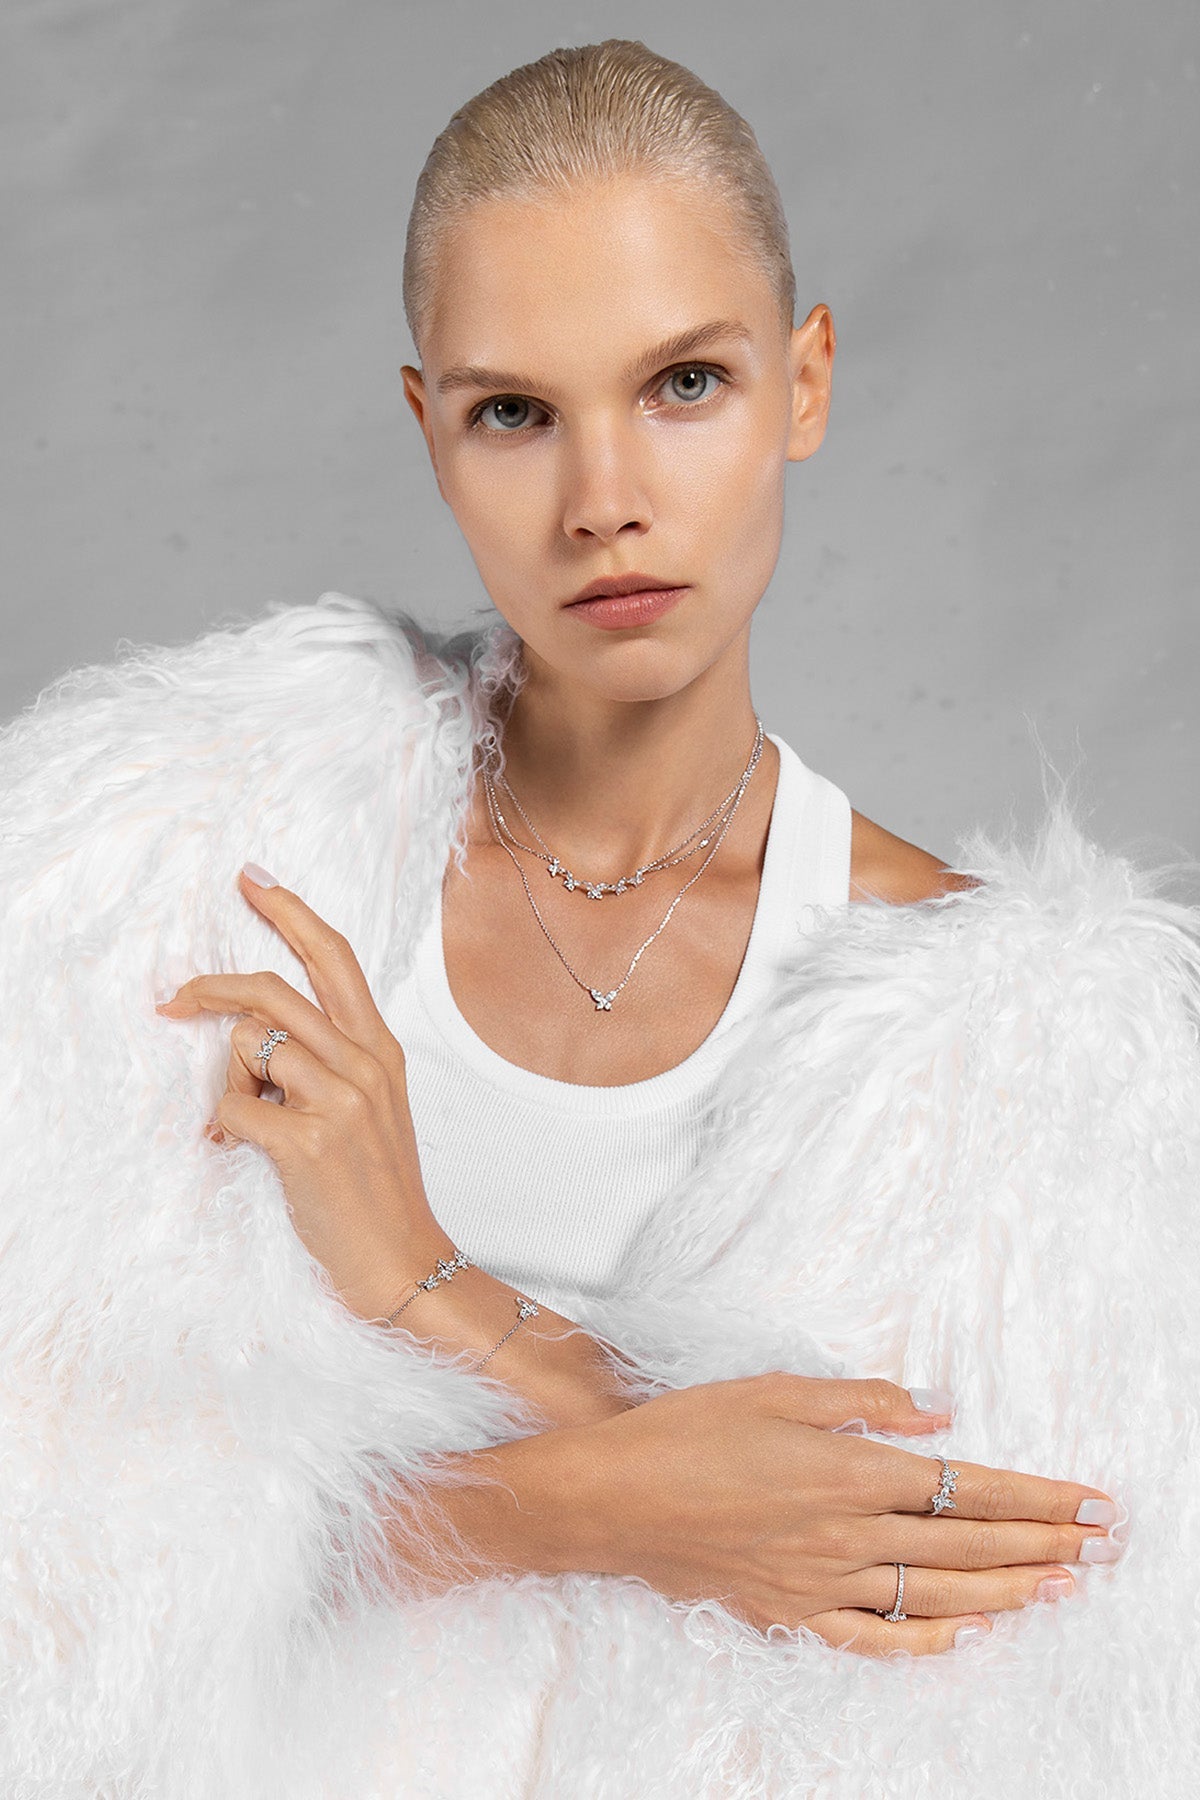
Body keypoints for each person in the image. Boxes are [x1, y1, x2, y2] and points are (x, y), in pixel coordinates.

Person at [5, 37, 1196, 1800]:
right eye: (514, 410)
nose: (603, 498)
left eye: (686, 384)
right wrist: (565, 1502)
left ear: (806, 383)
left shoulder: (1009, 1063)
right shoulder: (182, 884)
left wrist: (417, 1278)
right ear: (429, 431)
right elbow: (45, 1563)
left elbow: (995, 1675)